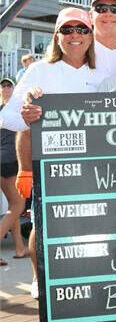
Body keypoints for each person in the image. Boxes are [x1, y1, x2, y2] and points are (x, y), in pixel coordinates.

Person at [0, 7, 108, 299]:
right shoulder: (39, 71)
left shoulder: (106, 70)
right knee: (43, 228)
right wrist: (27, 114)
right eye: (67, 30)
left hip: (96, 169)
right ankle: (39, 278)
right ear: (57, 36)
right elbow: (8, 119)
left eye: (82, 29)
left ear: (90, 35)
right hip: (51, 168)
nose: (75, 35)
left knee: (92, 228)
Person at [0, 77, 29, 266]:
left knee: (13, 206)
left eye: (10, 85)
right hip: (10, 160)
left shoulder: (15, 108)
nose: (6, 88)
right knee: (18, 206)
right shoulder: (17, 110)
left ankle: (20, 248)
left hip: (5, 160)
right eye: (3, 86)